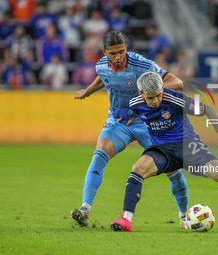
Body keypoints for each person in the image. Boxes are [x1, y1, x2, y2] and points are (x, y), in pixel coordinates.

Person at [109, 72, 218, 233]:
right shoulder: (135, 103)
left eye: (158, 95)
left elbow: (209, 110)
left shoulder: (175, 100)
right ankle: (126, 220)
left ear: (162, 89)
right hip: (162, 149)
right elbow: (129, 112)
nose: (156, 101)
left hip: (188, 145)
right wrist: (123, 117)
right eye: (151, 98)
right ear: (141, 94)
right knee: (138, 168)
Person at [70, 31, 189, 228]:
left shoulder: (142, 65)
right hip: (119, 121)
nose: (118, 57)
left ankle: (184, 216)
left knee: (173, 171)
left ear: (127, 48)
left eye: (122, 52)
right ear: (104, 52)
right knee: (100, 154)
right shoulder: (100, 65)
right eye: (113, 53)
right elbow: (103, 78)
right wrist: (87, 92)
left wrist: (138, 105)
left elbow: (177, 83)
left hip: (148, 122)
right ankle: (85, 209)